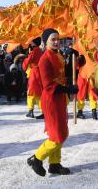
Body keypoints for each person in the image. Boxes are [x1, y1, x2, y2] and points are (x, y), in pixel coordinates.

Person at [27, 28, 78, 176]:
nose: (56, 42)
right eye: (53, 39)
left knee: (62, 132)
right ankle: (37, 158)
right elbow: (49, 85)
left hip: (60, 99)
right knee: (57, 136)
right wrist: (68, 89)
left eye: (58, 39)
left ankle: (54, 164)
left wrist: (76, 60)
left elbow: (65, 73)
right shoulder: (45, 59)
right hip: (51, 100)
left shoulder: (58, 55)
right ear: (45, 42)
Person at [22, 37, 43, 119]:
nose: (30, 42)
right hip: (39, 72)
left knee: (31, 91)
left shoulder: (34, 51)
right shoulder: (40, 51)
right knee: (39, 91)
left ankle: (31, 110)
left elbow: (27, 62)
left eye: (32, 41)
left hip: (34, 73)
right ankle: (42, 110)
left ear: (34, 42)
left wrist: (24, 65)